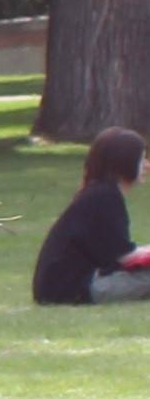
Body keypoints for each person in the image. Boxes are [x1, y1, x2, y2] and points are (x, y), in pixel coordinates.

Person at [30, 125, 150, 305]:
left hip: (63, 286)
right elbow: (125, 257)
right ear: (124, 162)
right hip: (72, 289)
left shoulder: (98, 194)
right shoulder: (105, 197)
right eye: (142, 159)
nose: (147, 165)